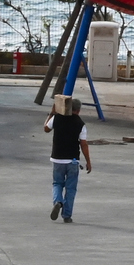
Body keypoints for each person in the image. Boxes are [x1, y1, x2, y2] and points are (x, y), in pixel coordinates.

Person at [43, 94, 92, 223]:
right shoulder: (80, 123)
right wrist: (88, 161)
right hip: (72, 161)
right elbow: (84, 144)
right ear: (79, 110)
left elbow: (46, 129)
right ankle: (67, 215)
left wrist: (51, 113)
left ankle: (58, 201)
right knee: (71, 189)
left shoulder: (57, 118)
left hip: (57, 159)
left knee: (57, 183)